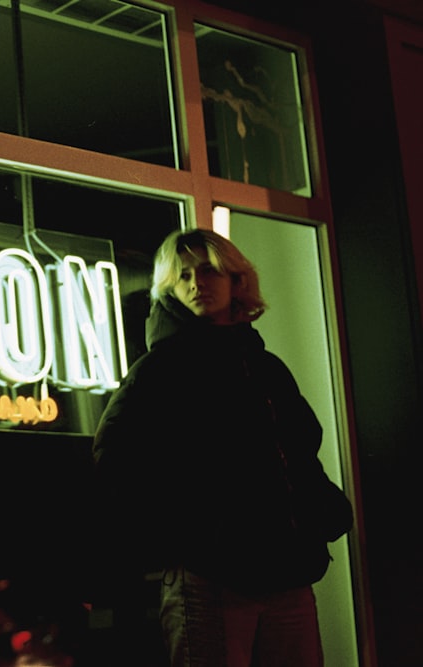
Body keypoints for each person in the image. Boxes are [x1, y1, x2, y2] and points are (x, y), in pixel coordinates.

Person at [91, 229, 353, 666]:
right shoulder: (159, 371)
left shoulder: (264, 367)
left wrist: (321, 510)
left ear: (236, 278)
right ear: (170, 290)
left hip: (286, 574)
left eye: (209, 270)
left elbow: (301, 451)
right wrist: (188, 537)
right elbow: (114, 463)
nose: (198, 283)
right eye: (184, 276)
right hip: (210, 581)